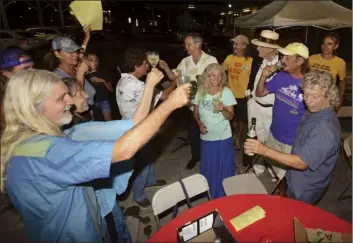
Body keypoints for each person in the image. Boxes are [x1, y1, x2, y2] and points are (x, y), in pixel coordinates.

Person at [0, 69, 190, 242]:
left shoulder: (23, 144)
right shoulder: (51, 151)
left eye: (68, 94)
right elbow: (124, 149)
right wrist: (169, 105)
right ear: (34, 108)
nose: (70, 102)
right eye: (61, 98)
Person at [62, 68, 164, 242]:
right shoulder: (80, 131)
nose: (86, 95)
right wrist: (150, 86)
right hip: (102, 206)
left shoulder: (68, 128)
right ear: (67, 102)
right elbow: (135, 124)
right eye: (79, 93)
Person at [245, 70, 341, 204]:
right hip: (294, 178)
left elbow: (301, 163)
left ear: (329, 96)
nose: (308, 101)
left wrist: (264, 150)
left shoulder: (325, 130)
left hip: (304, 188)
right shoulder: (316, 110)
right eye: (305, 94)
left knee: (293, 215)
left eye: (314, 96)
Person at [116, 48, 176, 208]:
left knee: (148, 157)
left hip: (133, 126)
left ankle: (150, 181)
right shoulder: (135, 85)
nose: (147, 67)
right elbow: (165, 95)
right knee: (142, 162)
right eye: (144, 64)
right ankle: (139, 194)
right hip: (138, 130)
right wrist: (175, 81)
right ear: (136, 66)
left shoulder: (124, 80)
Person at [255, 42, 309, 195]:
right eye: (283, 55)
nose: (282, 59)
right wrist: (263, 77)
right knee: (273, 171)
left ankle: (283, 201)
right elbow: (260, 93)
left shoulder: (309, 83)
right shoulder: (280, 76)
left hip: (292, 141)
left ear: (299, 61)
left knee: (287, 177)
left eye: (287, 56)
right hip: (274, 133)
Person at [175, 33, 218, 169]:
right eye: (185, 44)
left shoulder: (211, 60)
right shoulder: (185, 62)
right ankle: (195, 156)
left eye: (188, 44)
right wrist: (165, 69)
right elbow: (176, 76)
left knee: (208, 131)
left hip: (206, 104)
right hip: (191, 105)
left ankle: (210, 157)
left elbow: (216, 81)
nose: (185, 47)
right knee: (193, 133)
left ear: (197, 45)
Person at [193, 63, 236, 198]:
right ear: (207, 77)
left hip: (223, 137)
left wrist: (222, 109)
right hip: (206, 138)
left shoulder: (226, 92)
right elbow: (195, 112)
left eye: (219, 75)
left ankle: (223, 196)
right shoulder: (200, 92)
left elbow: (231, 116)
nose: (216, 78)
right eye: (213, 75)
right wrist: (199, 123)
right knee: (210, 167)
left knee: (223, 169)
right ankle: (211, 194)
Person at [246, 30, 280, 172]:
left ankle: (273, 171)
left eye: (261, 46)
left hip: (270, 110)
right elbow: (252, 77)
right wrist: (249, 94)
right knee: (254, 137)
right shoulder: (258, 60)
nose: (257, 48)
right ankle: (258, 168)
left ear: (271, 49)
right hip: (254, 106)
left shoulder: (281, 66)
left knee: (270, 142)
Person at [44, 36, 97, 119]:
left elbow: (81, 52)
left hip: (90, 115)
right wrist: (80, 74)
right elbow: (77, 103)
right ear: (57, 54)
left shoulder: (75, 68)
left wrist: (87, 36)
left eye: (75, 50)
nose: (75, 54)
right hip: (77, 122)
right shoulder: (57, 78)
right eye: (69, 51)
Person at [223, 35, 253, 150]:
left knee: (241, 119)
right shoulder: (229, 58)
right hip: (230, 95)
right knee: (233, 118)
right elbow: (221, 69)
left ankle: (237, 137)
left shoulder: (250, 60)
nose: (234, 46)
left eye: (236, 44)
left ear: (244, 45)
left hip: (243, 96)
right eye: (233, 44)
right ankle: (235, 133)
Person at [309, 32, 346, 110]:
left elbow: (342, 82)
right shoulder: (311, 58)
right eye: (323, 43)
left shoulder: (340, 62)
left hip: (327, 99)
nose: (325, 46)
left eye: (329, 44)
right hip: (311, 96)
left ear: (336, 46)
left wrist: (340, 98)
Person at [86, 53, 113, 121]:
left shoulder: (103, 72)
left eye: (96, 60)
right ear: (86, 61)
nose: (94, 63)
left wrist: (103, 81)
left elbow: (111, 89)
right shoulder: (83, 75)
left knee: (109, 123)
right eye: (91, 60)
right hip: (91, 103)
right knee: (94, 124)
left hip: (104, 101)